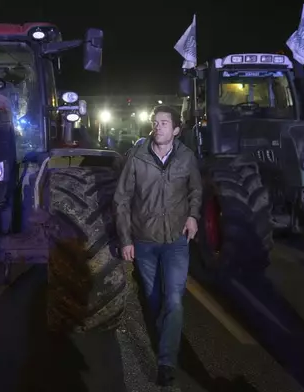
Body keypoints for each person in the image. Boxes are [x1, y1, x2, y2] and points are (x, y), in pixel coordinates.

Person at [113, 105, 202, 387]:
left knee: (174, 299)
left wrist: (193, 215)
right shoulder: (137, 157)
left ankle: (166, 360)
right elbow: (122, 200)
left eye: (164, 123)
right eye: (156, 122)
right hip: (145, 241)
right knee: (153, 299)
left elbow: (195, 190)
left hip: (176, 240)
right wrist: (126, 240)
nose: (158, 126)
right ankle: (166, 336)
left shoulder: (187, 158)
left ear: (176, 130)